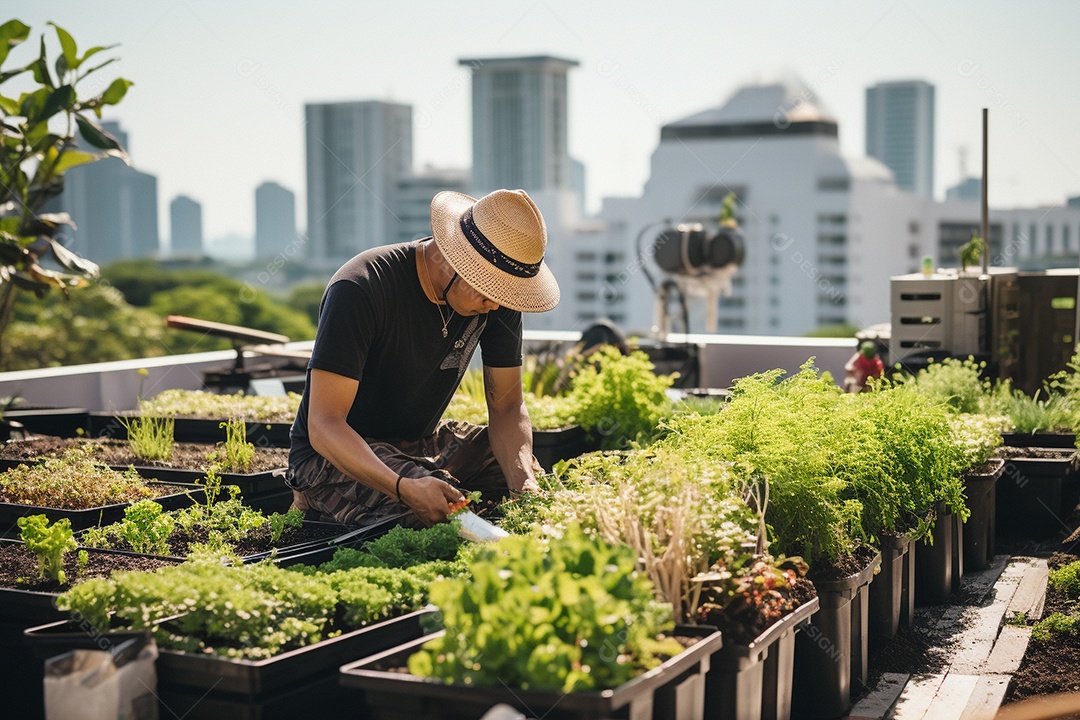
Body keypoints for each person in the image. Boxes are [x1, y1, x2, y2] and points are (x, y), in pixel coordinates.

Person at [286, 189, 560, 527]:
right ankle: (314, 497)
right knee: (437, 518)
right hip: (333, 453)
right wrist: (405, 487)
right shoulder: (361, 287)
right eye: (490, 290)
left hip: (420, 442)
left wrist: (524, 485)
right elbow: (324, 425)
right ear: (452, 257)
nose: (497, 305)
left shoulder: (496, 302)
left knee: (519, 470)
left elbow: (506, 407)